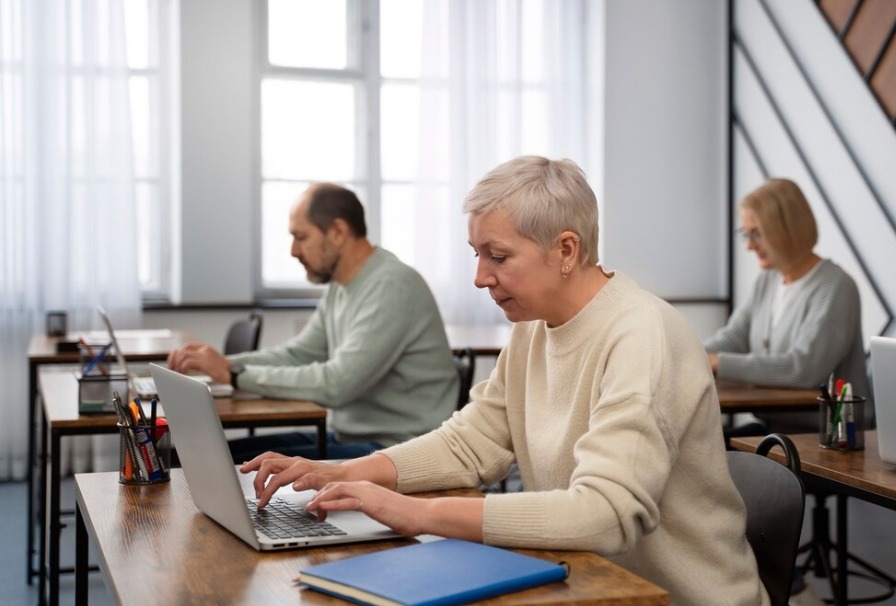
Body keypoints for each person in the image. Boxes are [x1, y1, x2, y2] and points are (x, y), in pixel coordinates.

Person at [241, 157, 769, 605]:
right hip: (586, 583)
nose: (480, 277)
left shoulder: (641, 335)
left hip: (667, 597)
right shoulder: (533, 327)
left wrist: (417, 513)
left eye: (498, 256)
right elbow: (471, 442)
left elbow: (605, 514)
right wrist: (343, 470)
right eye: (477, 255)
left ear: (566, 251)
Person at [168, 183, 458, 461]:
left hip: (398, 451)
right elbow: (299, 354)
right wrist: (225, 365)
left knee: (228, 464)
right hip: (352, 439)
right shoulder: (341, 285)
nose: (293, 251)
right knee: (211, 455)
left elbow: (337, 384)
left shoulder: (392, 285)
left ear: (338, 232)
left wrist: (234, 375)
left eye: (301, 237)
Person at [704, 178, 868, 435]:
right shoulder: (767, 281)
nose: (748, 245)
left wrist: (718, 363)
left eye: (757, 233)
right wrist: (688, 356)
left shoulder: (836, 287)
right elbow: (733, 338)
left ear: (788, 229)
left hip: (828, 439)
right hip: (777, 429)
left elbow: (803, 369)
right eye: (745, 233)